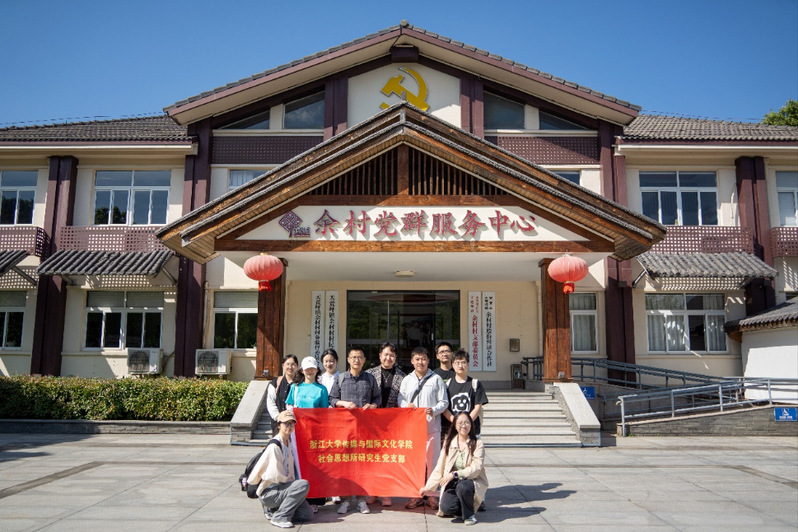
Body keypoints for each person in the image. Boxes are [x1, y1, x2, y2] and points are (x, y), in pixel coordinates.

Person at [329, 347, 380, 515]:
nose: (356, 360)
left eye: (360, 357)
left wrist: (373, 405)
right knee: (345, 464)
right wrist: (343, 403)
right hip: (345, 430)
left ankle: (361, 500)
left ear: (364, 360)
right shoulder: (341, 378)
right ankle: (345, 500)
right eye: (353, 357)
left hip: (365, 430)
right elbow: (332, 398)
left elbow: (377, 397)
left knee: (363, 464)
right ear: (348, 360)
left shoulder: (370, 379)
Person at [399, 346, 448, 510]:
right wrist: (406, 406)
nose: (420, 362)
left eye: (423, 359)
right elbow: (400, 398)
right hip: (413, 431)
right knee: (414, 464)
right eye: (417, 359)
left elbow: (444, 402)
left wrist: (433, 410)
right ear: (412, 361)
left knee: (432, 463)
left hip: (431, 428)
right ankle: (416, 494)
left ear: (428, 361)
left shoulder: (436, 379)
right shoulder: (407, 380)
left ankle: (432, 495)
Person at [247, 410, 313, 528]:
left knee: (306, 515)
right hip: (270, 492)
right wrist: (294, 486)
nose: (289, 426)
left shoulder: (288, 442)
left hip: (281, 489)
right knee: (302, 485)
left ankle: (275, 510)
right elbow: (276, 476)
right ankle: (280, 517)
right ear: (278, 425)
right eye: (286, 423)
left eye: (292, 423)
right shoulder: (275, 446)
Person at [420, 412, 488, 526]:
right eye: (460, 423)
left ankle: (469, 515)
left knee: (463, 487)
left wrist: (455, 474)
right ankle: (464, 506)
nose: (463, 426)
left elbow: (476, 469)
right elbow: (440, 467)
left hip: (471, 480)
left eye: (467, 422)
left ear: (471, 425)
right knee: (447, 508)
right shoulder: (449, 443)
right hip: (452, 481)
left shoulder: (477, 444)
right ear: (455, 426)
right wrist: (428, 488)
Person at [364, 341, 407, 507]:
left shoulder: (402, 376)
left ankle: (386, 492)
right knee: (372, 459)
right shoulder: (369, 374)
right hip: (372, 423)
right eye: (385, 354)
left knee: (389, 459)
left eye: (392, 355)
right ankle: (373, 492)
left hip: (392, 423)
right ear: (380, 355)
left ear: (395, 357)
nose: (388, 358)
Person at [286, 357, 329, 512]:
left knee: (315, 466)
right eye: (307, 368)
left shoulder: (321, 389)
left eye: (313, 368)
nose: (310, 371)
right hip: (297, 434)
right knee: (298, 465)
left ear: (317, 370)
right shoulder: (295, 388)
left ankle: (315, 499)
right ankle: (300, 498)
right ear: (302, 370)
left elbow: (324, 413)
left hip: (315, 434)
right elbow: (289, 407)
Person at [441, 349, 489, 437]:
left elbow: (478, 407)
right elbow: (444, 407)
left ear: (468, 364)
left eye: (463, 362)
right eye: (457, 363)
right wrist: (456, 422)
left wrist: (466, 423)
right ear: (452, 365)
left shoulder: (475, 384)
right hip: (452, 430)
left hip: (472, 430)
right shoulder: (446, 385)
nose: (460, 366)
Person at [267, 355, 300, 434]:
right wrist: (279, 417)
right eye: (287, 364)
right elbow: (270, 403)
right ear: (283, 366)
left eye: (293, 364)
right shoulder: (275, 383)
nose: (290, 367)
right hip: (279, 424)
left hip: (297, 425)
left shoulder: (301, 384)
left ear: (297, 366)